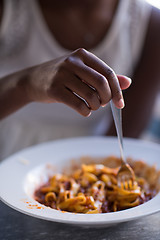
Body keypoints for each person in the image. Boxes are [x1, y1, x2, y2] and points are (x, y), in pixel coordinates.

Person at [0, 0, 160, 161]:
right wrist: (27, 85)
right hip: (7, 151)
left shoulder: (149, 24)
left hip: (95, 151)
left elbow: (125, 135)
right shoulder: (9, 9)